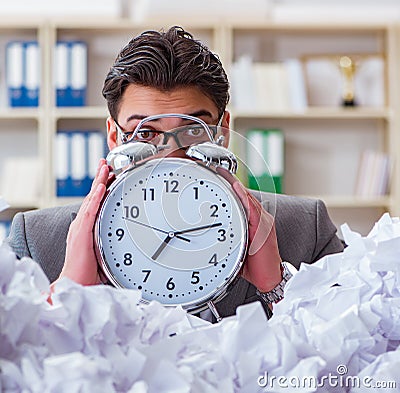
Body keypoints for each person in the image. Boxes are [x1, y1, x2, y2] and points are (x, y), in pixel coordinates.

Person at [6, 26, 344, 321]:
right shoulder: (37, 241)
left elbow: (356, 358)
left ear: (223, 132)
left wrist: (278, 285)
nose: (171, 155)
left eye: (194, 130)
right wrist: (69, 292)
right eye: (146, 133)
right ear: (113, 137)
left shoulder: (306, 229)